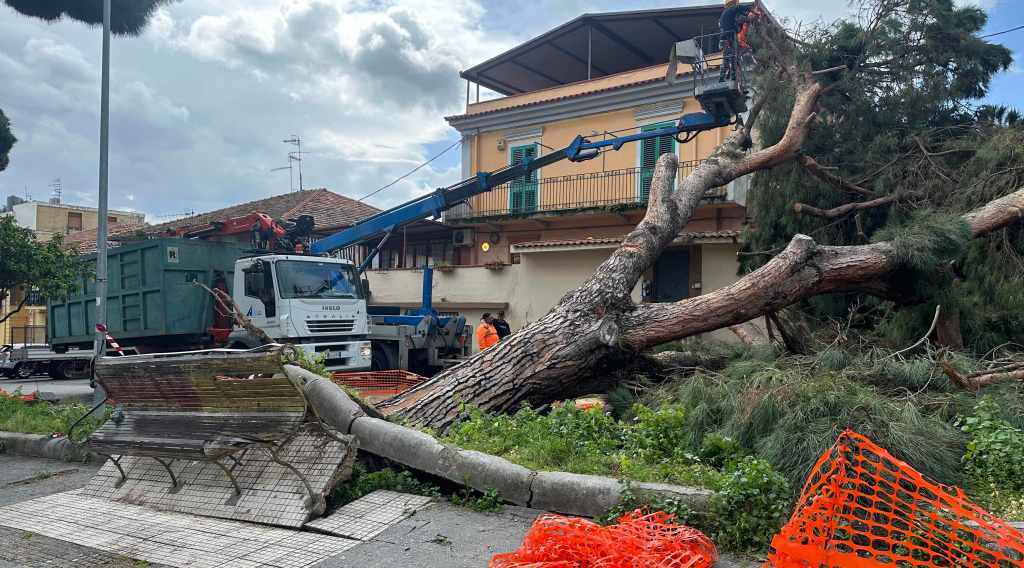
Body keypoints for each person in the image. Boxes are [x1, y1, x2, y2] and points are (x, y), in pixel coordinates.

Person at [719, 0, 753, 82]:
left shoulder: (725, 16)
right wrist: (753, 11)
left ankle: (725, 76)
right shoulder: (731, 11)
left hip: (725, 40)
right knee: (733, 58)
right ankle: (731, 75)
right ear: (734, 4)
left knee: (728, 59)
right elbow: (740, 10)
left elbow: (738, 23)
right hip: (728, 40)